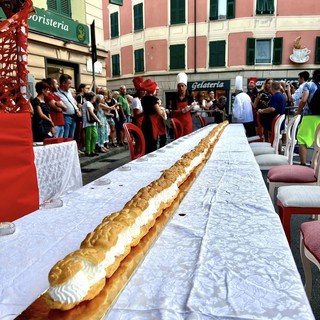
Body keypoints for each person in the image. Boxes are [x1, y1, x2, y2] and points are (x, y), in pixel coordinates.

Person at [296, 69, 320, 165]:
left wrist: (298, 112)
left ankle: (303, 165)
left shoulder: (309, 85)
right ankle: (316, 164)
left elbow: (303, 100)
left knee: (302, 140)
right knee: (318, 142)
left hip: (310, 116)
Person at [140, 79, 167, 154]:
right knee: (152, 144)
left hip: (145, 122)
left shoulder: (143, 99)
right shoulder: (153, 99)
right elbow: (159, 113)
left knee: (147, 143)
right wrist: (162, 109)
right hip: (152, 123)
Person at [56, 74, 81, 139]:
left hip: (74, 116)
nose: (70, 85)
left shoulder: (69, 92)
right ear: (63, 83)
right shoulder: (57, 93)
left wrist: (77, 109)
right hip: (66, 117)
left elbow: (72, 102)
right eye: (69, 83)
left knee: (71, 136)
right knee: (66, 136)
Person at [82, 91, 102, 157]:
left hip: (91, 122)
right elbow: (91, 113)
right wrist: (98, 120)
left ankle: (92, 150)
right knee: (89, 137)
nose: (95, 98)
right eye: (94, 97)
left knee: (94, 136)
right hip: (88, 123)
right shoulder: (87, 103)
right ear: (91, 97)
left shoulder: (90, 103)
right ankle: (88, 151)